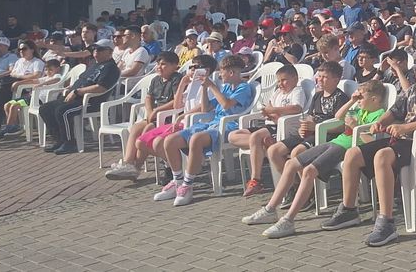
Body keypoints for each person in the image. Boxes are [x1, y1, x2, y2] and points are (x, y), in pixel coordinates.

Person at [320, 50, 416, 246]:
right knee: (353, 153)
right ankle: (349, 210)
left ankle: (386, 221)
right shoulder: (412, 90)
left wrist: (405, 127)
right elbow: (393, 112)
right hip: (400, 140)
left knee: (382, 156)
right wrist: (380, 123)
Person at [244, 80, 389, 238]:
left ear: (374, 99)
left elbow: (373, 142)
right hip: (334, 142)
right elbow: (339, 116)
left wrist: (355, 127)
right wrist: (352, 101)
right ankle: (270, 209)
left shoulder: (379, 115)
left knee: (309, 171)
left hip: (346, 148)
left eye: (362, 97)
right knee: (292, 164)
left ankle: (289, 220)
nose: (359, 100)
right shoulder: (361, 110)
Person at [154, 55, 255, 206]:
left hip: (228, 127)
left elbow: (227, 105)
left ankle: (187, 185)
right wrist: (204, 87)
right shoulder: (225, 87)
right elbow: (206, 108)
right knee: (170, 141)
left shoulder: (243, 87)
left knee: (196, 139)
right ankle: (177, 181)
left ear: (232, 73)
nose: (220, 75)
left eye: (222, 72)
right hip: (212, 124)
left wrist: (213, 86)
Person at [104, 51, 185, 179]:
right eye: (158, 64)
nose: (159, 67)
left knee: (147, 130)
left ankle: (136, 168)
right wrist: (149, 111)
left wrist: (157, 111)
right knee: (136, 127)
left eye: (163, 64)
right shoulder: (155, 79)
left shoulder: (176, 79)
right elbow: (148, 98)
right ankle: (128, 163)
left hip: (169, 117)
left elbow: (177, 102)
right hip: (154, 116)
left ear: (174, 65)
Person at [229, 65, 306, 196]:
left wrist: (274, 111)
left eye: (284, 80)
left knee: (255, 137)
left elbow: (297, 108)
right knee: (233, 136)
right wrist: (268, 112)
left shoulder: (297, 91)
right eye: (278, 81)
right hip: (269, 125)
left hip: (280, 127)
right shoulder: (277, 92)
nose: (280, 84)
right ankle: (262, 145)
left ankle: (256, 180)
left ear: (295, 78)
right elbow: (270, 106)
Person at [39, 41, 120, 155]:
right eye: (95, 49)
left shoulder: (111, 68)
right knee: (45, 109)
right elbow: (82, 81)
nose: (96, 52)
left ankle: (70, 143)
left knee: (63, 111)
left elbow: (101, 88)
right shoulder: (94, 65)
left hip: (90, 102)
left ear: (110, 52)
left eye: (100, 50)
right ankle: (59, 139)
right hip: (74, 97)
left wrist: (77, 92)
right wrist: (70, 88)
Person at [0, 39, 45, 138]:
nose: (21, 51)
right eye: (20, 50)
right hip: (12, 90)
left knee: (0, 88)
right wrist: (22, 76)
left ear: (32, 49)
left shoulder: (37, 62)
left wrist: (20, 78)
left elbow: (36, 76)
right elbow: (12, 73)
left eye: (24, 49)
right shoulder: (20, 61)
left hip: (26, 91)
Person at [0, 59, 62, 134]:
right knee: (7, 105)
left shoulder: (57, 76)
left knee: (14, 106)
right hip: (31, 97)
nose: (48, 72)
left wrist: (42, 84)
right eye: (46, 70)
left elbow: (56, 80)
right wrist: (19, 83)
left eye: (50, 70)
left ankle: (9, 127)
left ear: (58, 69)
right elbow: (33, 81)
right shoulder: (46, 77)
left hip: (39, 100)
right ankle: (14, 126)